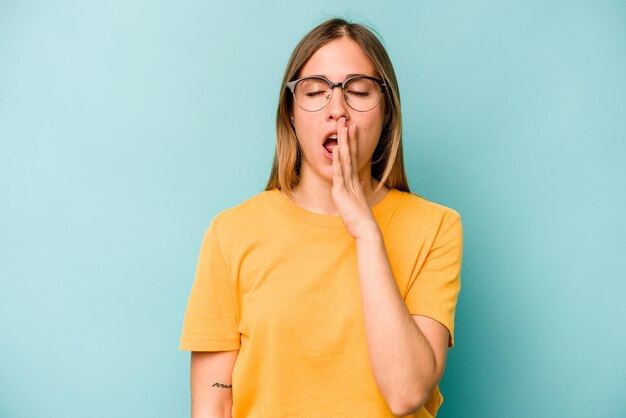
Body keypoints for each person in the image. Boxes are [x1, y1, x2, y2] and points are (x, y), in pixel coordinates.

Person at [180, 18, 462, 418]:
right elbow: (213, 404)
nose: (337, 110)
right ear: (291, 116)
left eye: (358, 92)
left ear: (386, 116)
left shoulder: (436, 227)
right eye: (315, 92)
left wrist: (366, 232)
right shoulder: (231, 233)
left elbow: (406, 393)